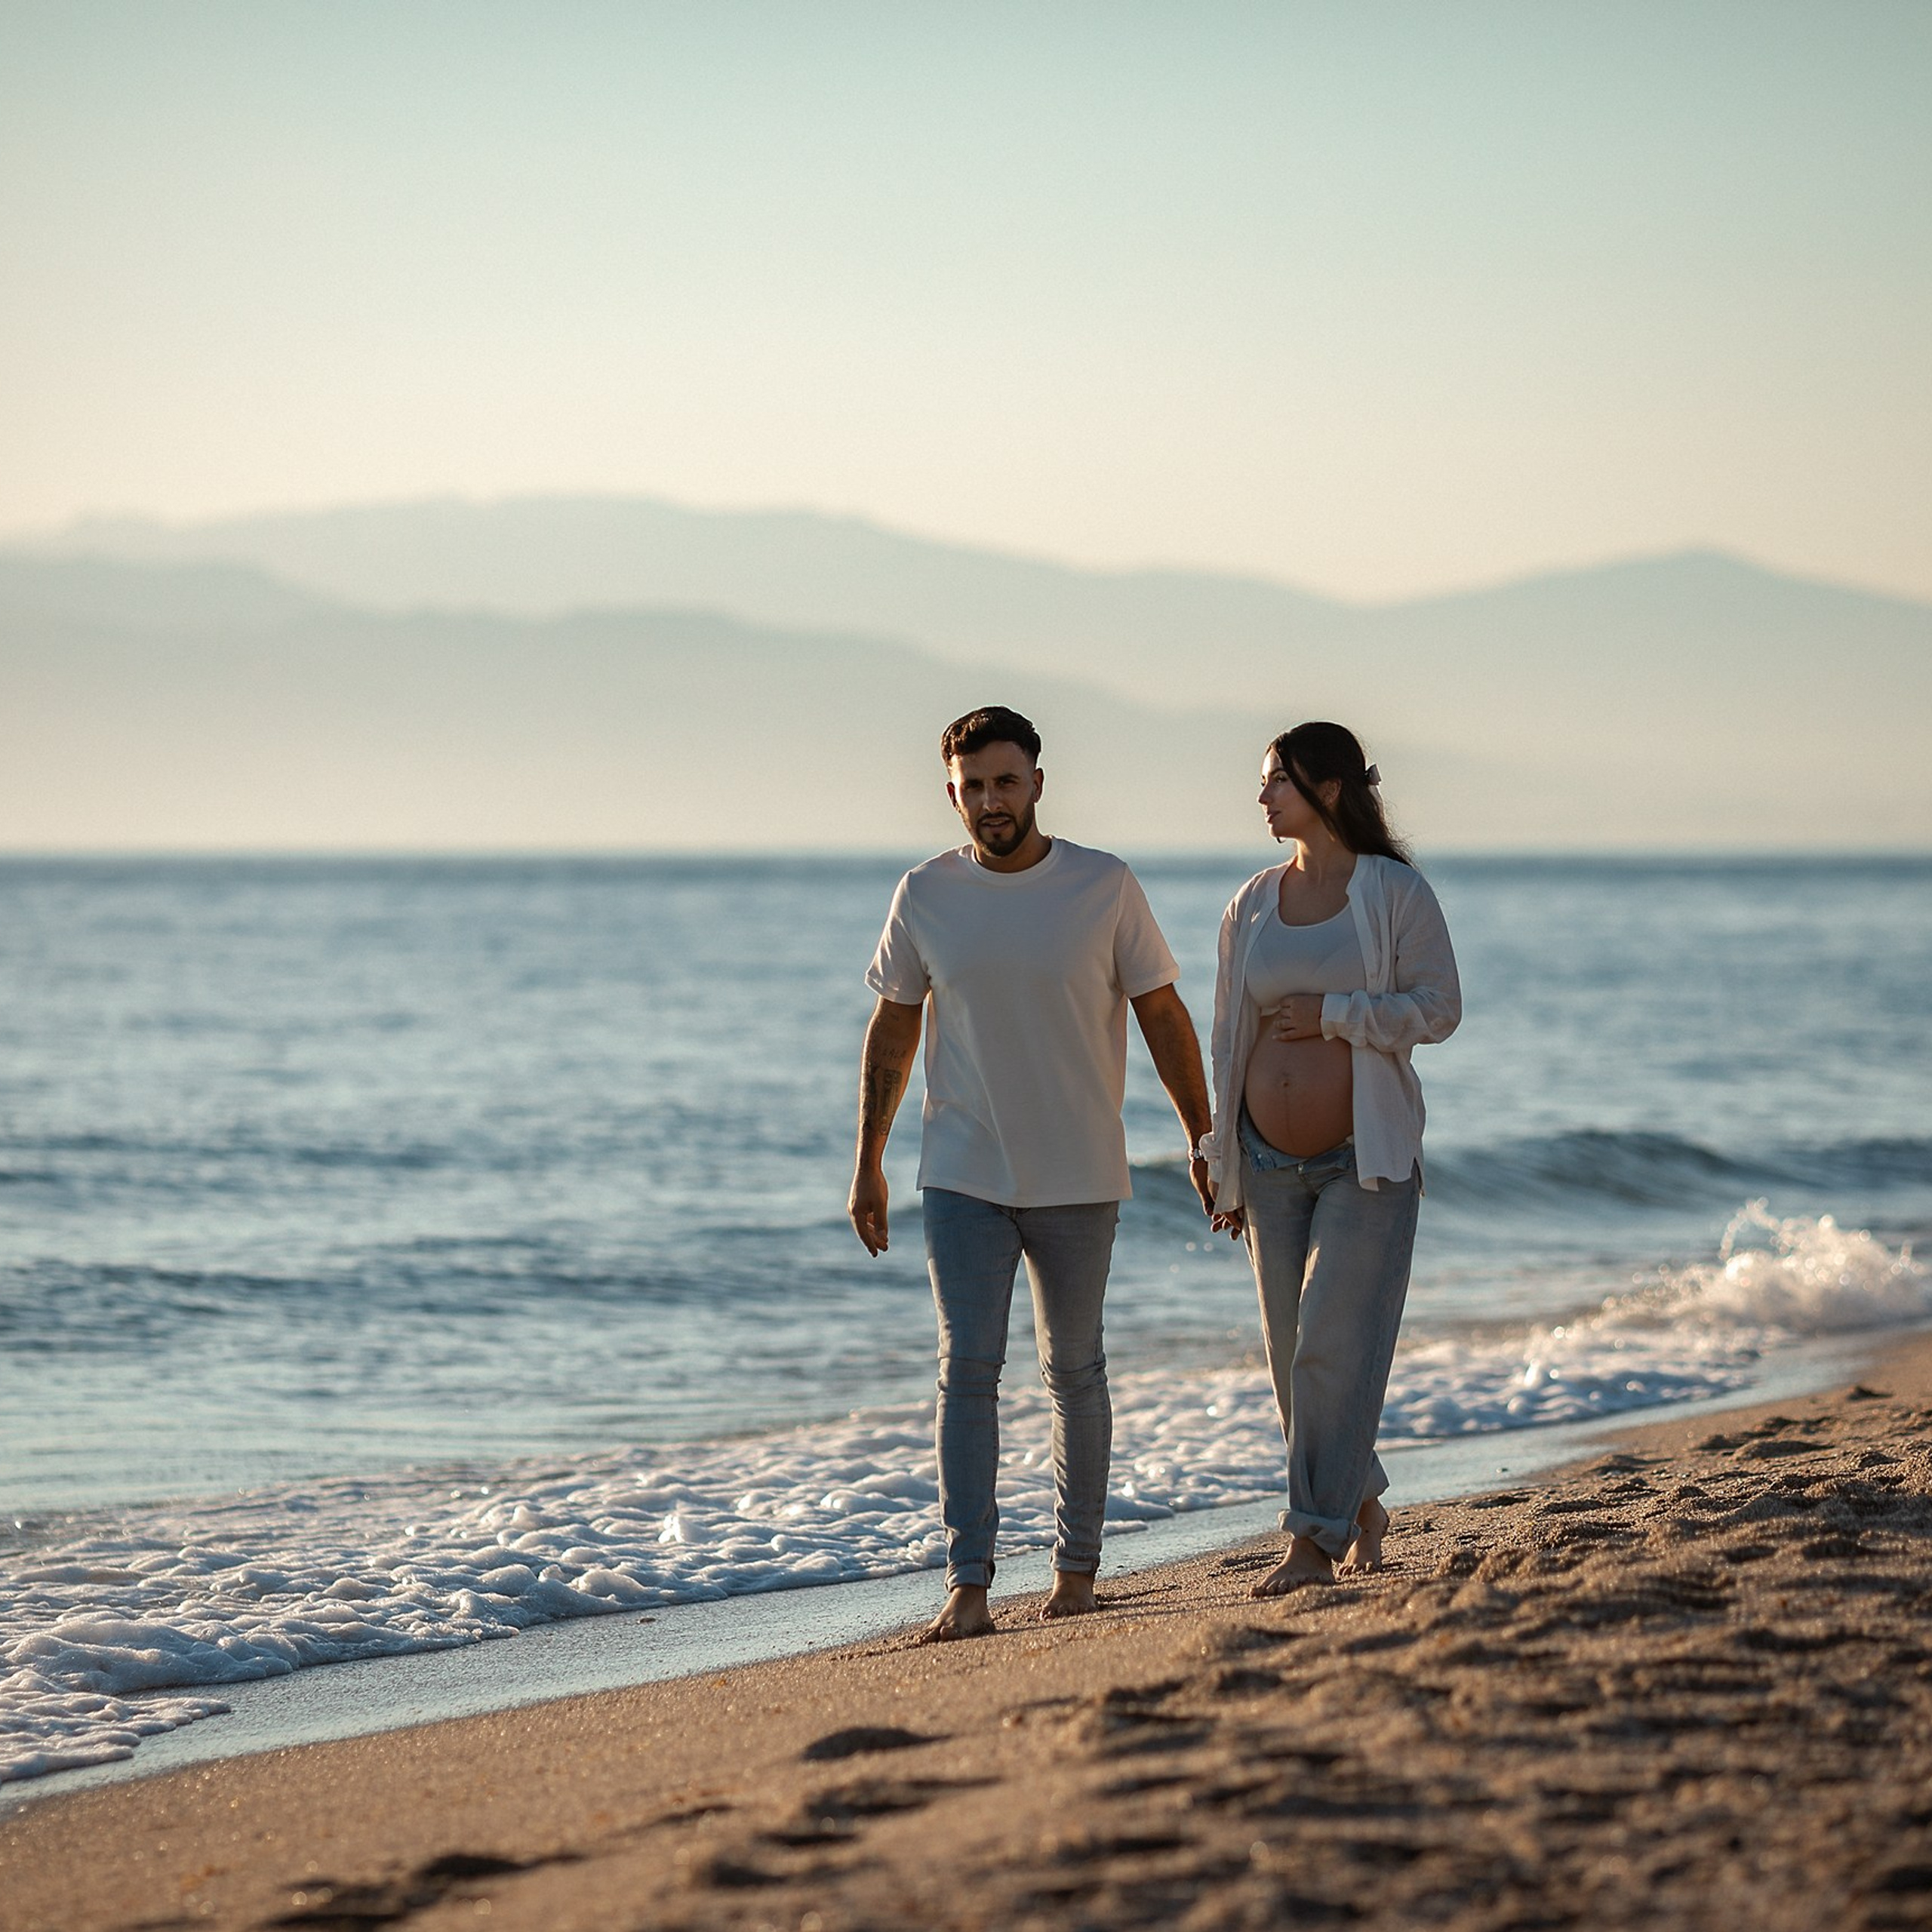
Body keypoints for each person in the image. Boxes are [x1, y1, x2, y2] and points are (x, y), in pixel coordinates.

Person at [851, 705, 1215, 1641]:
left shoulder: (1103, 886)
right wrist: (869, 1164)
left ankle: (1077, 1572)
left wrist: (1202, 1138)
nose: (988, 801)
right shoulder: (925, 893)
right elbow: (893, 1026)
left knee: (1074, 1371)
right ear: (951, 793)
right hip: (962, 1170)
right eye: (971, 786)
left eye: (1005, 782)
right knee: (964, 1372)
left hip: (1080, 1171)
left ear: (1038, 785)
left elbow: (1163, 1016)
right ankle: (967, 1586)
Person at [1198, 721, 1460, 1596]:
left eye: (1278, 781)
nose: (1263, 796)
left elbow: (1438, 1007)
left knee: (1330, 1349)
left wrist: (1338, 1012)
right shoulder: (1253, 902)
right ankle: (1358, 1504)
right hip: (1266, 1161)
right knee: (1290, 1361)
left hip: (1365, 1157)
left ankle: (1311, 1544)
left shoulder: (1393, 893)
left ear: (1330, 790)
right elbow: (1228, 1039)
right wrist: (1218, 1150)